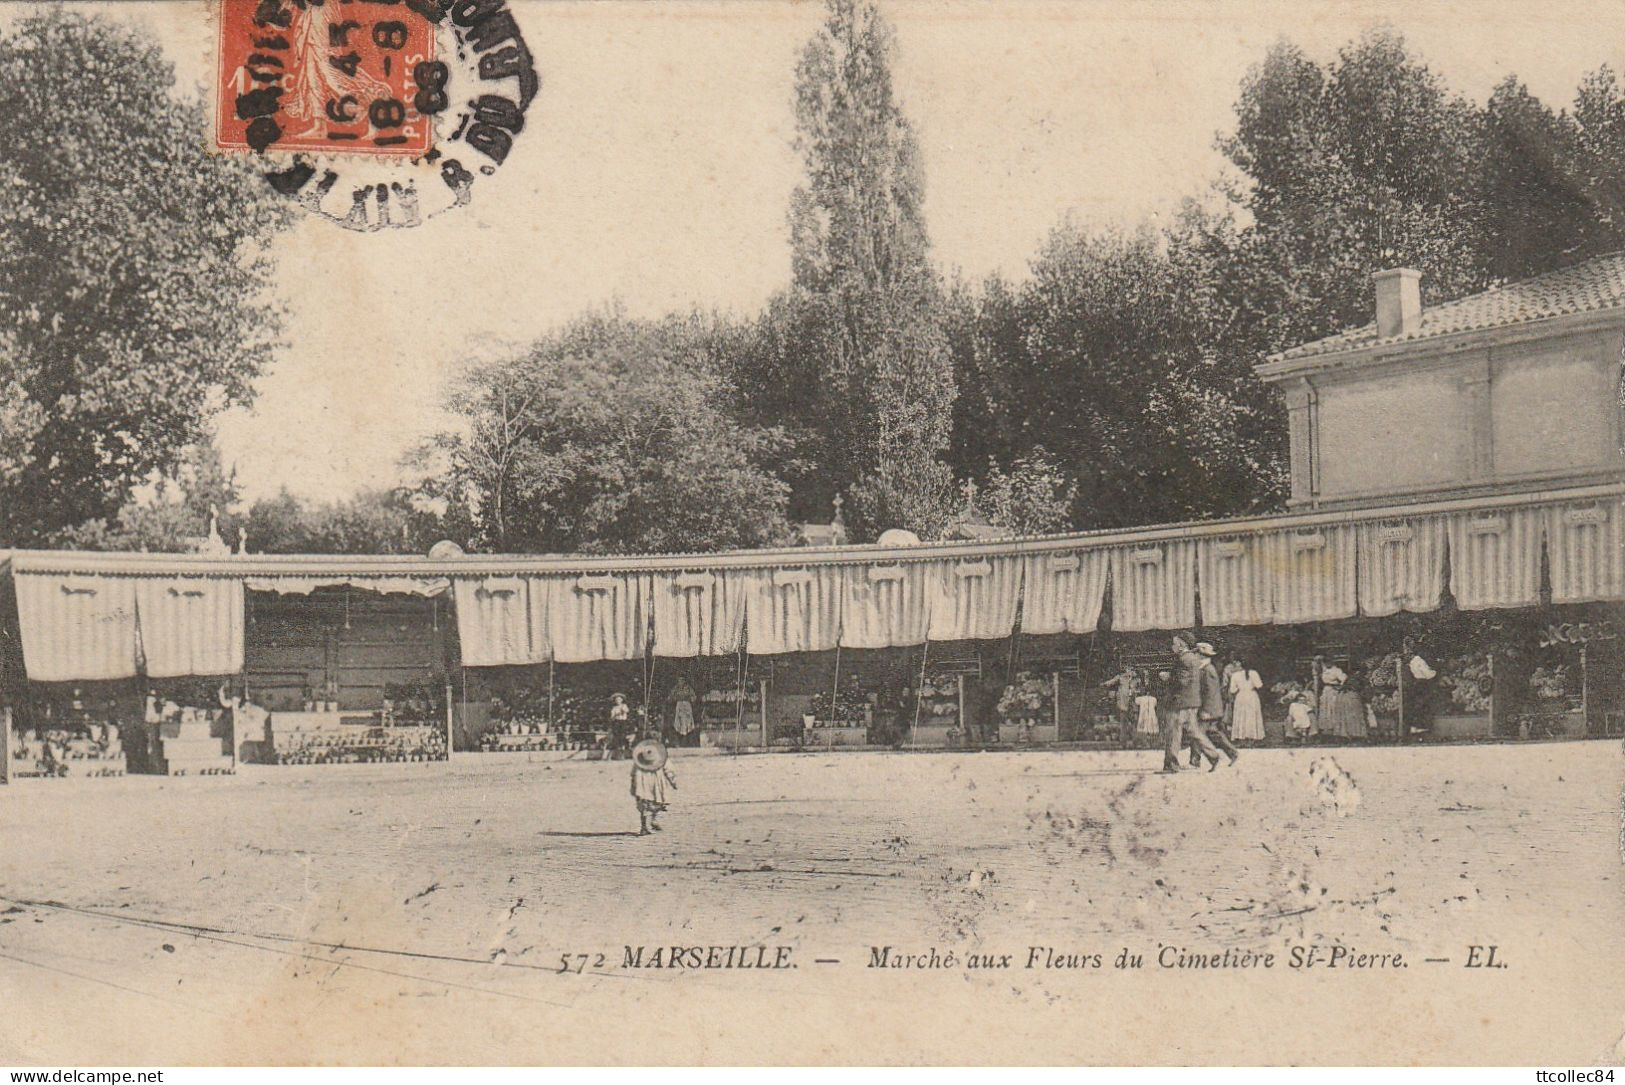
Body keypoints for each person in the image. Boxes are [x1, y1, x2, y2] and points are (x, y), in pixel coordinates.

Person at [1162, 634, 1222, 773]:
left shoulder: (1183, 659)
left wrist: (1168, 677)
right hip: (1192, 701)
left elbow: (1182, 681)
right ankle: (1213, 755)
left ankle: (1171, 765)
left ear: (1182, 645)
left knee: (1173, 733)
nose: (1173, 646)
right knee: (1194, 732)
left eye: (1175, 643)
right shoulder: (1194, 659)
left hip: (1180, 702)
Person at [1195, 642, 1240, 769]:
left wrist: (1206, 710)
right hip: (1210, 708)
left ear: (1201, 655)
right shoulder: (1206, 668)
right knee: (1212, 733)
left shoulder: (1207, 670)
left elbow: (1211, 692)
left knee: (1198, 733)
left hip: (1209, 709)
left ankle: (1203, 759)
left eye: (1197, 654)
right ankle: (1232, 753)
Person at [629, 733, 677, 835]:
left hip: (643, 784)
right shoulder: (660, 756)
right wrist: (673, 782)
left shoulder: (640, 756)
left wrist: (633, 784)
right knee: (655, 803)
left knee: (645, 804)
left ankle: (646, 825)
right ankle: (649, 823)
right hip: (655, 784)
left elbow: (633, 772)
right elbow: (669, 770)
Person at [1228, 659, 1266, 743]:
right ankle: (1252, 737)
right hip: (1252, 696)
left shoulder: (1235, 675)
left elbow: (1232, 690)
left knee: (1241, 716)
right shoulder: (1254, 673)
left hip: (1241, 696)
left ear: (1240, 664)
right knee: (1251, 716)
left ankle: (1241, 737)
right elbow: (1259, 685)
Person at [1104, 665, 1140, 746]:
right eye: (1128, 669)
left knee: (1135, 723)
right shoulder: (1120, 678)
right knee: (1123, 723)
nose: (1130, 671)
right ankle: (1123, 742)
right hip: (1123, 704)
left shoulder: (1137, 680)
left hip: (1133, 704)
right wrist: (1105, 683)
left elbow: (1140, 688)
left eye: (1132, 669)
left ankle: (1135, 741)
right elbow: (1110, 682)